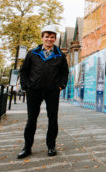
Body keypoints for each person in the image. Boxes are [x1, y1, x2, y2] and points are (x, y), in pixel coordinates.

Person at [18, 25, 69, 159]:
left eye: (52, 37)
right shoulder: (32, 53)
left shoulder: (60, 55)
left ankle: (51, 146)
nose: (49, 39)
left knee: (52, 119)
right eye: (47, 37)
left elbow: (65, 72)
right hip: (33, 90)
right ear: (42, 38)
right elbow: (24, 71)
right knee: (31, 120)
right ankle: (27, 147)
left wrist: (61, 86)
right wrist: (25, 86)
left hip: (52, 91)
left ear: (55, 39)